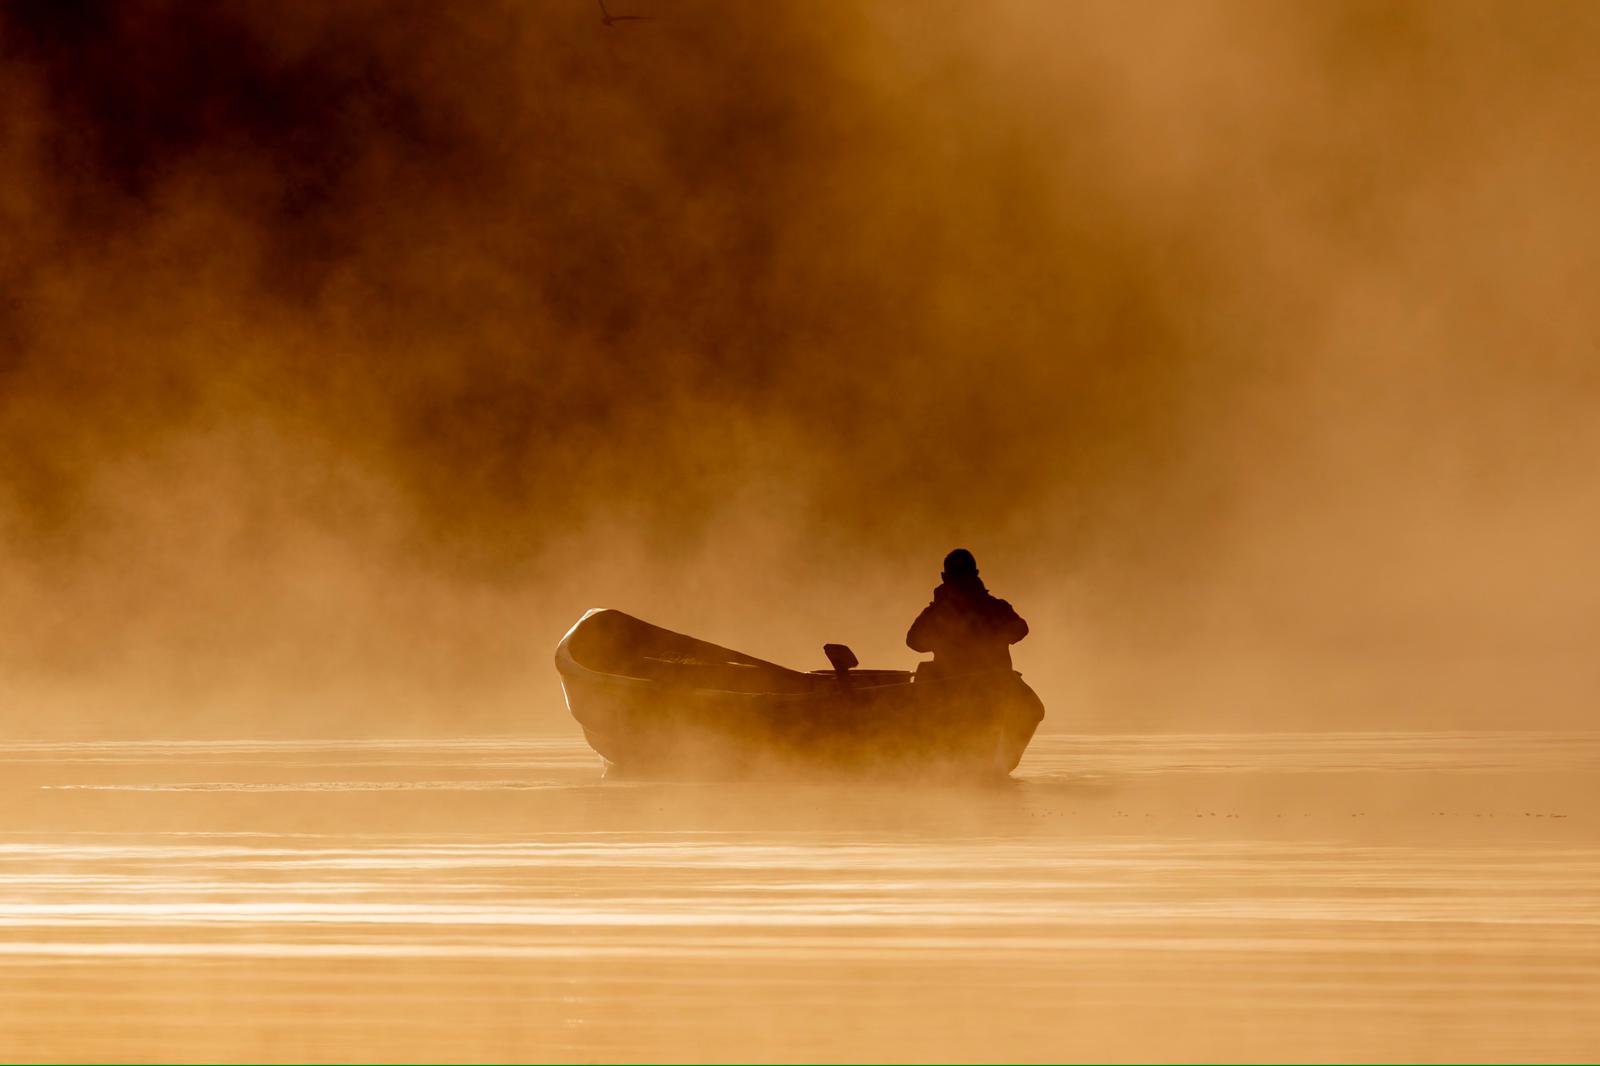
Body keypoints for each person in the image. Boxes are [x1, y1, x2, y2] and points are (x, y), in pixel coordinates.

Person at [906, 548, 1028, 677]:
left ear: (944, 577)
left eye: (963, 576)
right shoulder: (995, 608)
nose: (961, 582)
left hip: (990, 682)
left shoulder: (994, 608)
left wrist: (993, 637)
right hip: (952, 684)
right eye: (957, 576)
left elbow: (1021, 629)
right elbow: (913, 640)